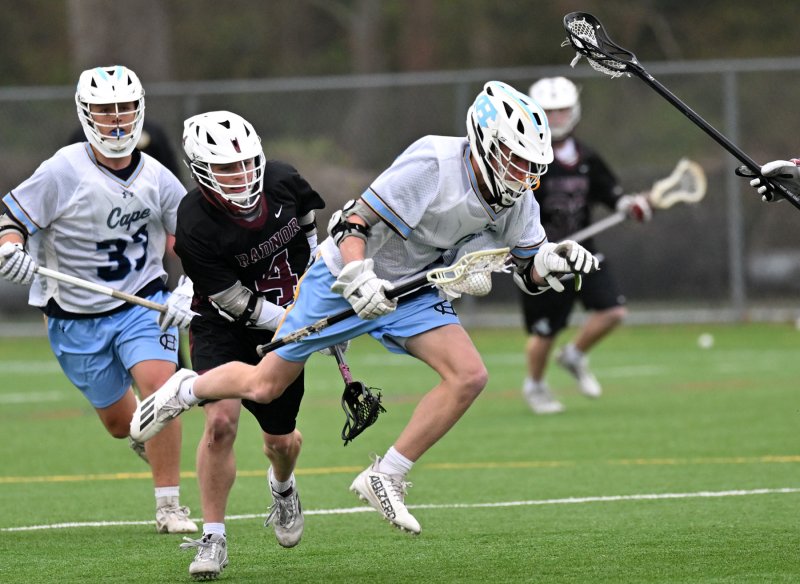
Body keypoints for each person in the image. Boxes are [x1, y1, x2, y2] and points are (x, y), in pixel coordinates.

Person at [131, 80, 600, 535]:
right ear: (483, 142)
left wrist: (555, 260)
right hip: (343, 278)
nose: (522, 175)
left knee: (469, 375)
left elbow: (528, 273)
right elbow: (354, 221)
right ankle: (187, 390)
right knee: (263, 385)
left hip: (414, 289)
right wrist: (357, 277)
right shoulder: (433, 162)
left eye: (529, 164)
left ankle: (387, 476)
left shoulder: (517, 199)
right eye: (514, 160)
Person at [0, 65, 198, 534]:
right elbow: (11, 218)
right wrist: (11, 248)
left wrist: (188, 287)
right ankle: (140, 434)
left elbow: (197, 240)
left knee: (162, 388)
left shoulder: (159, 177)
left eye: (125, 108)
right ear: (86, 113)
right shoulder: (62, 170)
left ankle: (169, 505)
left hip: (142, 302)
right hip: (74, 315)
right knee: (119, 424)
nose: (116, 120)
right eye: (105, 110)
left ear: (139, 109)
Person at [171, 111, 325, 580]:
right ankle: (213, 537)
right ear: (201, 172)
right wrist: (295, 323)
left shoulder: (282, 180)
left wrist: (322, 296)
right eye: (226, 169)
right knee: (220, 422)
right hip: (223, 326)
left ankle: (283, 487)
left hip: (288, 317)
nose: (241, 176)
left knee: (281, 441)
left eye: (245, 164)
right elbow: (233, 301)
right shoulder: (194, 219)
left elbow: (310, 231)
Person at [518, 77, 652, 415]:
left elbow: (612, 193)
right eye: (549, 112)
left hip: (584, 251)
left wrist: (627, 205)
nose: (557, 117)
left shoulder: (587, 156)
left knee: (612, 311)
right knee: (546, 330)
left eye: (562, 110)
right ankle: (535, 385)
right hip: (542, 257)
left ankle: (574, 356)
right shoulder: (527, 159)